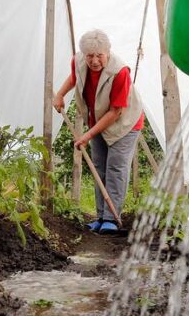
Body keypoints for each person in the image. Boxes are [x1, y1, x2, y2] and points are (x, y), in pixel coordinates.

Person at [52, 30, 144, 234]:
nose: (94, 61)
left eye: (99, 55)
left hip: (124, 123)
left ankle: (112, 218)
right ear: (83, 54)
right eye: (90, 56)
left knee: (116, 168)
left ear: (108, 52)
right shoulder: (79, 61)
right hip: (98, 119)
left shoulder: (120, 72)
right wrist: (60, 94)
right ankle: (101, 216)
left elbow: (115, 112)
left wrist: (87, 135)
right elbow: (75, 77)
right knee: (99, 166)